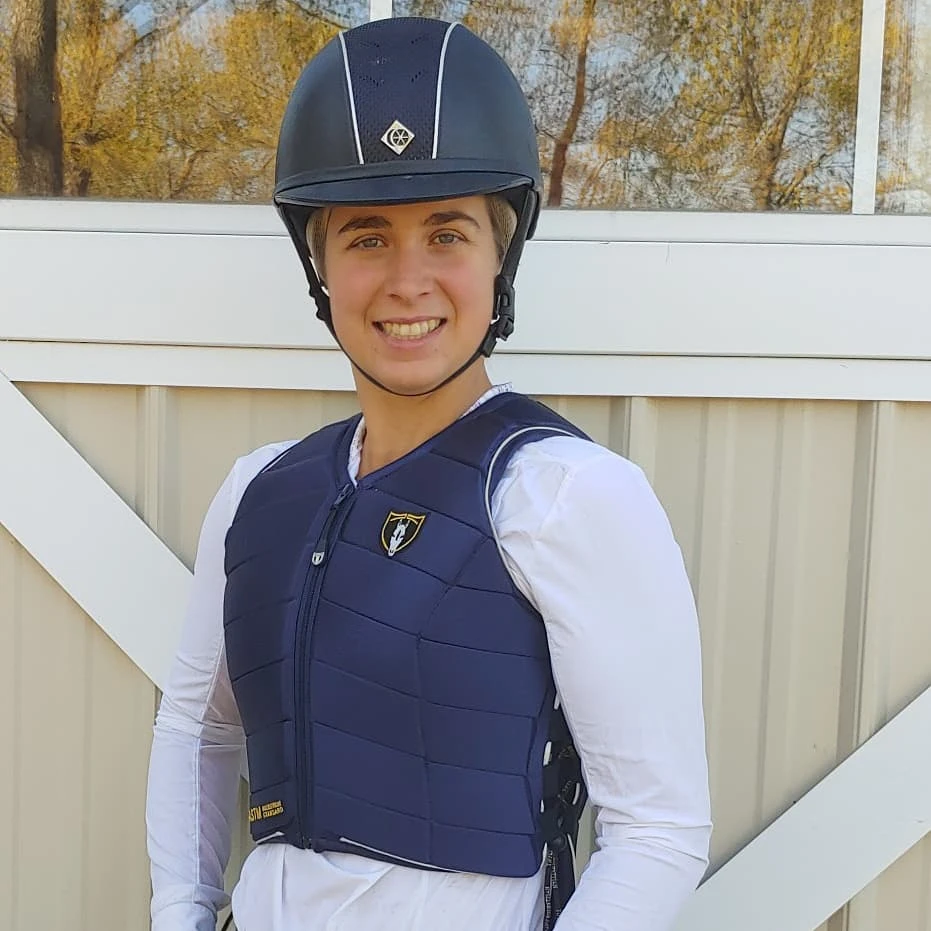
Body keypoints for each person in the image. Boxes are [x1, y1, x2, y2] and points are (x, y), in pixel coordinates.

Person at [145, 15, 712, 931]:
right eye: (367, 238)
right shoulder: (259, 492)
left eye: (446, 234)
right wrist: (181, 908)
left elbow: (658, 830)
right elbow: (198, 727)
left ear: (499, 257)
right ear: (320, 266)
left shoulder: (566, 495)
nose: (407, 280)